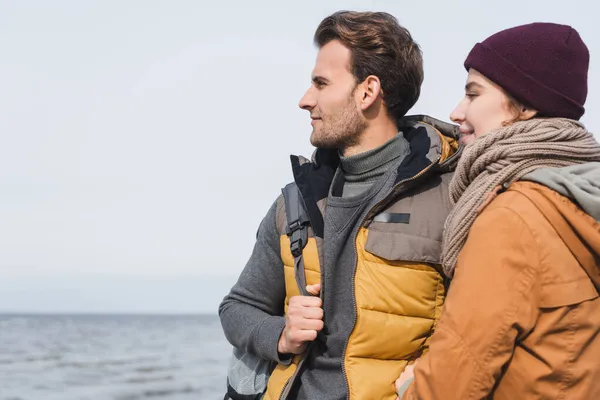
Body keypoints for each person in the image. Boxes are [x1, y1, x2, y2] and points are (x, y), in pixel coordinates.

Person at [219, 10, 462, 400]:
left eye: (320, 83)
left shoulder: (453, 198)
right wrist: (280, 334)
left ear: (367, 91)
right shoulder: (294, 202)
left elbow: (482, 327)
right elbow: (237, 307)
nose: (305, 100)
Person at [396, 22, 600, 400]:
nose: (457, 112)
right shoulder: (579, 198)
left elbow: (453, 379)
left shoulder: (513, 216)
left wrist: (412, 387)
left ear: (526, 106)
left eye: (474, 94)